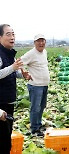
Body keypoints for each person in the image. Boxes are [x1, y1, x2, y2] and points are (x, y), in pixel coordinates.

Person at [0, 24, 30, 154]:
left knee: (6, 139)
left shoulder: (9, 53)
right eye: (8, 34)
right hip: (1, 105)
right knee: (3, 143)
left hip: (9, 102)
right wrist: (13, 67)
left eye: (13, 34)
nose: (12, 37)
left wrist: (22, 75)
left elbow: (10, 72)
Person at [20, 34, 50, 137]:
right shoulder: (31, 54)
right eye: (38, 41)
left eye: (43, 41)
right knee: (35, 107)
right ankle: (34, 129)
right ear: (34, 43)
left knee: (42, 106)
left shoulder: (44, 52)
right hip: (35, 85)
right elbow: (19, 62)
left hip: (44, 84)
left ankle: (38, 124)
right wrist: (24, 73)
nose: (41, 43)